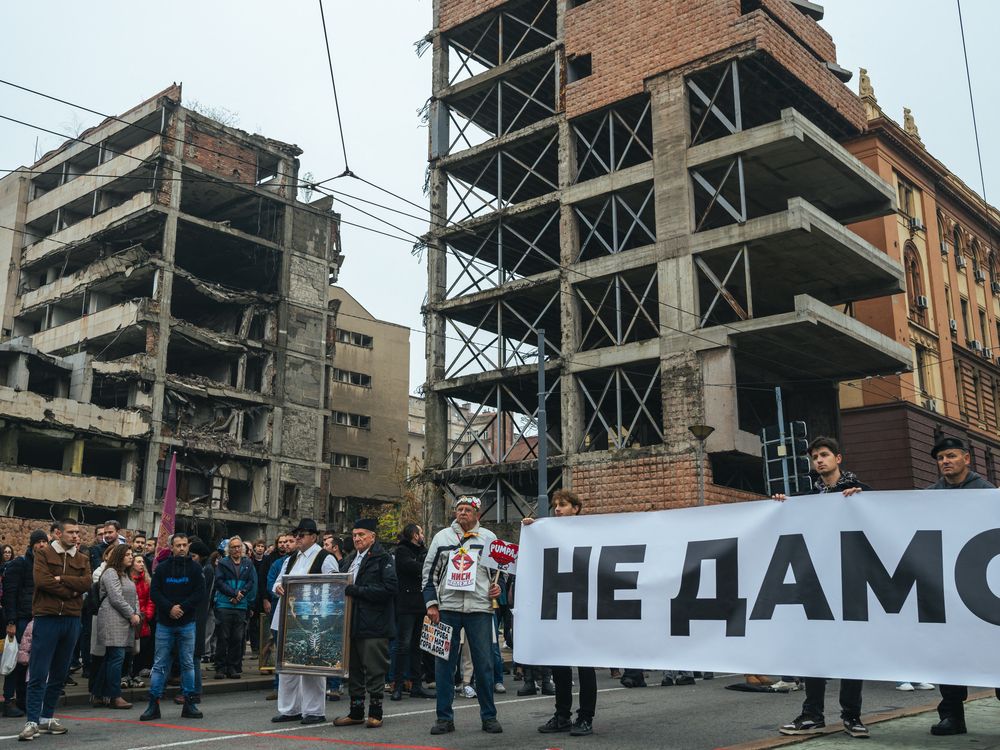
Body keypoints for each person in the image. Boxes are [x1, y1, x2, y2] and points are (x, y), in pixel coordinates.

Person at [775, 436, 871, 740]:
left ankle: (852, 716)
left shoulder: (861, 492)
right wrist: (781, 508)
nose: (819, 460)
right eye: (815, 456)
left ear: (838, 458)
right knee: (814, 650)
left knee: (850, 651)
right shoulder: (806, 498)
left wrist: (863, 502)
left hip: (851, 582)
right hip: (816, 583)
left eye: (825, 454)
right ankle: (812, 713)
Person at [924, 436, 996, 736]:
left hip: (985, 587)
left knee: (996, 648)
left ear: (967, 458)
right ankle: (952, 715)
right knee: (949, 652)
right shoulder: (928, 496)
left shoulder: (988, 493)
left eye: (951, 456)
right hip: (945, 587)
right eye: (940, 458)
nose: (945, 462)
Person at [422, 495, 503, 736]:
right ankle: (444, 718)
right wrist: (432, 604)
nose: (463, 513)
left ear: (478, 514)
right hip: (447, 609)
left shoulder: (488, 538)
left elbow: (499, 572)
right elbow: (429, 573)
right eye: (459, 509)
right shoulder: (442, 537)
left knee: (484, 664)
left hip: (480, 609)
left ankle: (489, 717)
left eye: (468, 509)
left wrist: (499, 589)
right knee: (444, 665)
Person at [524, 489, 597, 737]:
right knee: (559, 663)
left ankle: (586, 716)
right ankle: (562, 715)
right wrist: (532, 530)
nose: (557, 509)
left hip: (584, 607)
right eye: (555, 505)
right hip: (559, 607)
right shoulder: (550, 533)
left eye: (563, 505)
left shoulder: (592, 531)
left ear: (576, 508)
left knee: (586, 665)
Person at [19, 518, 91, 742]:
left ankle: (47, 717)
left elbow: (87, 583)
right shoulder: (43, 554)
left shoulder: (83, 558)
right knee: (39, 671)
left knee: (60, 672)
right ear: (58, 534)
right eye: (71, 532)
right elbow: (42, 582)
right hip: (47, 617)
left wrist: (63, 579)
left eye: (78, 532)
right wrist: (71, 591)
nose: (76, 536)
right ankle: (32, 721)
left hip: (71, 620)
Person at [271, 519, 338, 725]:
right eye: (296, 535)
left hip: (313, 620)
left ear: (313, 537)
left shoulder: (325, 558)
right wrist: (278, 588)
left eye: (301, 535)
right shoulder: (291, 559)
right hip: (287, 618)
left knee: (313, 666)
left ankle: (314, 710)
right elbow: (277, 582)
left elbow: (335, 587)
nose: (297, 538)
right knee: (288, 666)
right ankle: (290, 709)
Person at [333, 519, 397, 729]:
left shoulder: (383, 558)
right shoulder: (351, 559)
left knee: (375, 669)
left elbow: (389, 590)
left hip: (374, 623)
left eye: (361, 534)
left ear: (372, 536)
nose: (357, 538)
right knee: (355, 670)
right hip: (351, 623)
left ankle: (376, 713)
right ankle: (356, 712)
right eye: (354, 535)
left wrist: (357, 590)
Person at [140, 533, 205, 722]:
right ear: (172, 547)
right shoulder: (162, 569)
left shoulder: (195, 568)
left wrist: (182, 608)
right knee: (160, 665)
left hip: (187, 623)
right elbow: (155, 592)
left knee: (187, 664)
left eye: (185, 545)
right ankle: (154, 704)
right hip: (165, 624)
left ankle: (189, 703)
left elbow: (199, 593)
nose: (182, 548)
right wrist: (170, 608)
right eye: (178, 545)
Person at [2, 530, 46, 718]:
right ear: (32, 544)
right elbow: (10, 595)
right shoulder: (19, 564)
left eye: (45, 541)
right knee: (14, 662)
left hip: (38, 618)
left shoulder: (44, 564)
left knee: (29, 662)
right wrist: (11, 621)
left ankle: (23, 699)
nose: (43, 545)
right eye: (39, 542)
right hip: (20, 619)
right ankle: (8, 700)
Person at [92, 544, 141, 710]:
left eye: (131, 554)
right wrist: (132, 615)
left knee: (110, 659)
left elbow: (134, 598)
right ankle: (114, 696)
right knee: (116, 658)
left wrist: (138, 614)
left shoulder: (127, 575)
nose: (130, 557)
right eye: (127, 554)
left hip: (124, 619)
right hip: (112, 618)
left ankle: (98, 694)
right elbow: (115, 598)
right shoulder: (110, 572)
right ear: (119, 556)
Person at [392, 524, 434, 701]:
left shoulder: (423, 551)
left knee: (418, 646)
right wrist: (424, 564)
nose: (423, 535)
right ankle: (398, 685)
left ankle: (417, 684)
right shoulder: (402, 550)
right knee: (403, 645)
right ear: (415, 535)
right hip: (407, 604)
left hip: (420, 604)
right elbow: (415, 568)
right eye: (421, 532)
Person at [213, 536, 257, 680]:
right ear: (228, 549)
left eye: (239, 546)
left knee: (237, 638)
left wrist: (241, 594)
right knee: (223, 637)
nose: (236, 549)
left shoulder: (248, 563)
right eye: (233, 547)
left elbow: (251, 581)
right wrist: (233, 593)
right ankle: (220, 667)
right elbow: (219, 582)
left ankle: (232, 667)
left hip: (240, 606)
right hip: (224, 604)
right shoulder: (223, 563)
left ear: (243, 548)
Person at [264, 533, 294, 701]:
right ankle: (278, 686)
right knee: (280, 650)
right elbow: (271, 583)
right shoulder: (278, 563)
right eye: (283, 542)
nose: (287, 545)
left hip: (296, 612)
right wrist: (278, 590)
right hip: (280, 609)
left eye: (290, 541)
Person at [129, 556, 155, 683]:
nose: (141, 564)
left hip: (143, 618)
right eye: (138, 561)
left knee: (141, 647)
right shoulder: (128, 579)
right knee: (129, 648)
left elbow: (151, 599)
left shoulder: (147, 580)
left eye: (142, 562)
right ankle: (127, 673)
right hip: (130, 617)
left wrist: (147, 615)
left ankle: (136, 672)